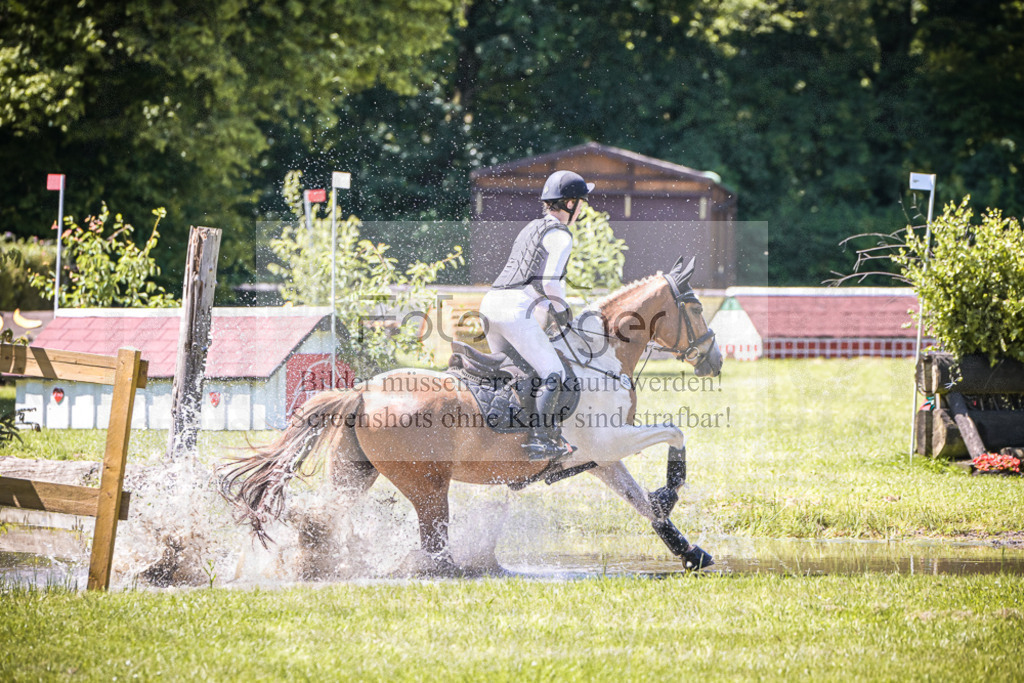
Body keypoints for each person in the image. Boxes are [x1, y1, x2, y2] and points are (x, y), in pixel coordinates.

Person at [479, 169, 594, 460]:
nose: (583, 207)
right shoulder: (560, 235)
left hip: (491, 304)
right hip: (516, 309)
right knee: (553, 373)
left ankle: (505, 442)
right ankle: (540, 440)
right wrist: (562, 310)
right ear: (569, 204)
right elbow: (549, 282)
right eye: (581, 201)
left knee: (518, 375)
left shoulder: (532, 227)